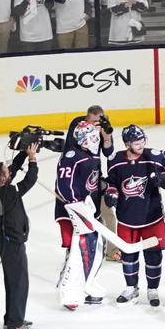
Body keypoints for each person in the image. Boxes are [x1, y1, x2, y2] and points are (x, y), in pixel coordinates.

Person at [105, 125, 165, 308]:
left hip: (152, 217)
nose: (141, 145)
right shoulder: (115, 160)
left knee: (153, 256)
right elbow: (112, 182)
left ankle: (153, 289)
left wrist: (164, 180)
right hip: (127, 217)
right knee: (128, 255)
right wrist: (111, 193)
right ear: (128, 144)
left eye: (143, 140)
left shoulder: (154, 156)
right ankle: (131, 288)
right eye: (137, 142)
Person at [0, 142, 39, 329]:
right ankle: (16, 323)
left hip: (4, 241)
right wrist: (32, 159)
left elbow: (13, 170)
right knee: (19, 281)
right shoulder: (10, 192)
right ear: (3, 180)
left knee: (12, 281)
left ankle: (12, 318)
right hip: (13, 242)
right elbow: (30, 180)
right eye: (7, 172)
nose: (10, 171)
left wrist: (23, 153)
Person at [55, 118, 105, 308]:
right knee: (80, 249)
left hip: (89, 208)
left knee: (97, 247)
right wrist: (77, 205)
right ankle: (69, 293)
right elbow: (64, 185)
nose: (95, 140)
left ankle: (87, 285)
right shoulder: (71, 156)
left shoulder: (89, 155)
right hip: (76, 210)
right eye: (92, 137)